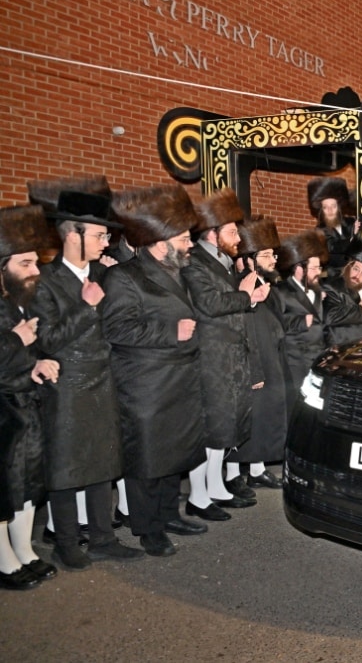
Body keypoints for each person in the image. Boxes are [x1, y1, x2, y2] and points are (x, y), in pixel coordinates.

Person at [32, 190, 144, 570]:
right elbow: (45, 339)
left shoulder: (105, 272)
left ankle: (103, 538)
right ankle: (66, 541)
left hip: (102, 379)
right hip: (66, 386)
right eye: (98, 235)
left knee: (103, 461)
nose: (106, 241)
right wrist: (86, 306)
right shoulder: (44, 281)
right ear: (71, 235)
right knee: (65, 467)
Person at [103, 185, 209, 557]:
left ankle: (169, 515)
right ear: (160, 242)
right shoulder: (124, 277)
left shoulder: (178, 272)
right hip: (146, 386)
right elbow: (116, 329)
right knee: (148, 462)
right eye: (183, 238)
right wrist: (170, 332)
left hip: (178, 381)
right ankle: (148, 529)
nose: (190, 244)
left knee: (173, 455)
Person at [180, 189, 270, 521]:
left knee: (224, 427)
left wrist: (251, 297)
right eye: (232, 231)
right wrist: (245, 296)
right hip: (210, 357)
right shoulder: (195, 265)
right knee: (210, 428)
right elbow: (209, 305)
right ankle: (198, 496)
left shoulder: (222, 262)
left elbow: (231, 305)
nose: (237, 238)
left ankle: (215, 487)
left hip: (229, 357)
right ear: (212, 233)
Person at [0, 204, 61, 590]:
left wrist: (35, 364)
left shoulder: (14, 302)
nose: (36, 271)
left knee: (25, 485)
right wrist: (14, 339)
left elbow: (19, 358)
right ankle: (4, 561)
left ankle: (24, 551)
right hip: (3, 412)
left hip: (23, 405)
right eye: (26, 264)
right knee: (4, 488)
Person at [224, 217, 289, 490]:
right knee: (248, 419)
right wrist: (252, 368)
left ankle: (257, 469)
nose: (273, 259)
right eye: (266, 255)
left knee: (264, 419)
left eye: (274, 254)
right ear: (249, 259)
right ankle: (232, 475)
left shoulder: (268, 284)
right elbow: (242, 329)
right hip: (253, 362)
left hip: (271, 359)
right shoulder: (241, 286)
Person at [272, 229, 328, 413]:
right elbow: (275, 323)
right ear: (298, 269)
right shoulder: (281, 291)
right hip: (295, 362)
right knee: (298, 408)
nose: (318, 273)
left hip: (317, 358)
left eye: (319, 268)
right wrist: (301, 321)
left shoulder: (318, 291)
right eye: (314, 268)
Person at [308, 177, 359, 274]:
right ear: (321, 210)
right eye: (325, 207)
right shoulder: (320, 231)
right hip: (336, 277)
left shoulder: (351, 222)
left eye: (333, 206)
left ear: (339, 208)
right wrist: (354, 237)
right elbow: (334, 247)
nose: (330, 210)